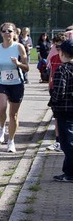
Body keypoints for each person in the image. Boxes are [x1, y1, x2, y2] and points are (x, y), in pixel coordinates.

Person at [0, 22, 29, 153]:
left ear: (14, 33)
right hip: (1, 82)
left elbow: (26, 67)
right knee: (2, 107)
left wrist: (18, 63)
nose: (7, 33)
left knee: (13, 114)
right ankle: (2, 127)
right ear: (1, 33)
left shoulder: (19, 47)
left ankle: (11, 141)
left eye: (10, 31)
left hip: (16, 83)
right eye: (5, 31)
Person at [49, 38, 73, 182]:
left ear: (63, 53)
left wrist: (52, 102)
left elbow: (59, 92)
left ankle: (70, 173)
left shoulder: (62, 69)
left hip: (65, 110)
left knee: (67, 142)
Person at [45, 33, 67, 152]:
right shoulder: (54, 58)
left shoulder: (69, 58)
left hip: (67, 90)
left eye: (60, 47)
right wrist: (50, 86)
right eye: (56, 47)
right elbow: (51, 74)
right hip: (55, 89)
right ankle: (58, 140)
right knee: (57, 116)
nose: (58, 49)